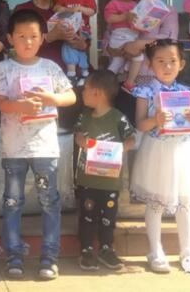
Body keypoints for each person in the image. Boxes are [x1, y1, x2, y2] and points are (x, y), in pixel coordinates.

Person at [0, 9, 76, 280]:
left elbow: (71, 96)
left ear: (42, 38)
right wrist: (21, 106)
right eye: (21, 36)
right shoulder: (4, 68)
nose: (28, 42)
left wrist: (52, 99)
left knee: (49, 201)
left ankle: (49, 257)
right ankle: (14, 256)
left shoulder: (50, 67)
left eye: (33, 36)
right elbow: (0, 103)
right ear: (10, 38)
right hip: (14, 148)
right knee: (13, 202)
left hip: (44, 147)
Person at [130, 39, 190, 274]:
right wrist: (155, 120)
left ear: (181, 64)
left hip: (183, 151)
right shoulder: (145, 91)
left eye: (172, 61)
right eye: (161, 61)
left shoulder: (188, 92)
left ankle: (187, 251)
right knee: (155, 202)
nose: (167, 67)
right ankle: (155, 250)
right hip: (156, 151)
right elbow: (140, 124)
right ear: (149, 64)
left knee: (184, 202)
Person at [73, 70, 135, 271]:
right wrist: (81, 141)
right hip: (87, 180)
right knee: (87, 215)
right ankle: (86, 250)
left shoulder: (118, 118)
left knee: (108, 216)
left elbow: (131, 140)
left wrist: (117, 149)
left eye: (86, 89)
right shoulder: (84, 116)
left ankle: (106, 248)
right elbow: (78, 135)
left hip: (110, 181)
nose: (82, 92)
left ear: (97, 93)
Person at [15, 0, 86, 129]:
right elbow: (17, 46)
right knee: (37, 123)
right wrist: (51, 36)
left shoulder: (63, 8)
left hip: (66, 74)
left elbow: (83, 43)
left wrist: (78, 42)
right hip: (34, 76)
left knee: (66, 126)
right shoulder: (23, 10)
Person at [111, 0, 179, 123]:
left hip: (153, 78)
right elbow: (111, 33)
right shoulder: (128, 7)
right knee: (126, 123)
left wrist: (138, 45)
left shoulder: (169, 11)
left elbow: (168, 40)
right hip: (125, 77)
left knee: (153, 123)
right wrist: (115, 48)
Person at [54, 0, 96, 85]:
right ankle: (81, 73)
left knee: (74, 48)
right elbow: (56, 8)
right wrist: (65, 9)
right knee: (70, 48)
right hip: (69, 30)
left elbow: (92, 11)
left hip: (83, 31)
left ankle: (74, 73)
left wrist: (81, 8)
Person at [104, 0, 143, 94]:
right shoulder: (113, 3)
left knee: (117, 62)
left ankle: (104, 82)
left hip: (131, 36)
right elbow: (109, 18)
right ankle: (130, 82)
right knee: (139, 57)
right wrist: (125, 16)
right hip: (120, 36)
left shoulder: (135, 4)